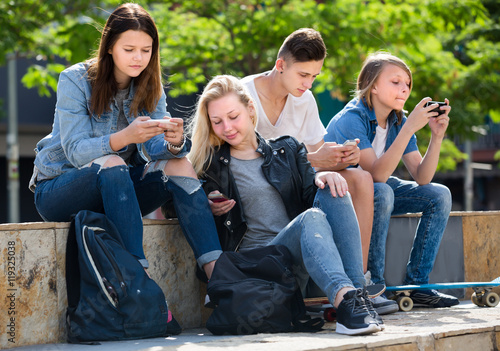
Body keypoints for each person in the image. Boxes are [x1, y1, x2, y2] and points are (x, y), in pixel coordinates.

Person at [29, 3, 222, 281]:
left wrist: (173, 142)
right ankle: (139, 281)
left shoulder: (150, 84)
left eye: (146, 50)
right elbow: (75, 152)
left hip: (119, 192)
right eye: (129, 50)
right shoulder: (74, 79)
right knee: (113, 161)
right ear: (109, 46)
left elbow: (152, 148)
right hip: (61, 189)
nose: (138, 58)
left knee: (179, 164)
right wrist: (124, 138)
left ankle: (218, 278)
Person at [188, 74, 384, 335]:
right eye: (217, 122)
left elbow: (310, 193)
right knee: (312, 217)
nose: (227, 127)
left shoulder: (287, 149)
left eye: (233, 116)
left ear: (250, 109)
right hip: (255, 267)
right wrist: (206, 204)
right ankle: (348, 302)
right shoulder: (210, 164)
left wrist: (321, 175)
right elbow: (174, 206)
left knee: (334, 187)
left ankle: (355, 299)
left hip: (293, 263)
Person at [325, 52, 459, 309]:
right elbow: (375, 176)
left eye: (407, 84)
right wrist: (410, 129)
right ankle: (373, 286)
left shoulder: (399, 120)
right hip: (343, 194)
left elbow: (422, 177)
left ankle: (418, 285)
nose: (404, 89)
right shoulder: (352, 118)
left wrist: (437, 136)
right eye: (395, 82)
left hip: (378, 189)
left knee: (439, 195)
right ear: (373, 85)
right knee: (382, 191)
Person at [241, 28, 374, 277]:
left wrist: (343, 157)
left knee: (361, 178)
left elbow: (318, 155)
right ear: (280, 64)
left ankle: (360, 278)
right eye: (303, 75)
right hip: (258, 188)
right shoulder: (243, 95)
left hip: (299, 186)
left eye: (314, 76)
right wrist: (314, 160)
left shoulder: (305, 99)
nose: (309, 83)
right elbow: (243, 162)